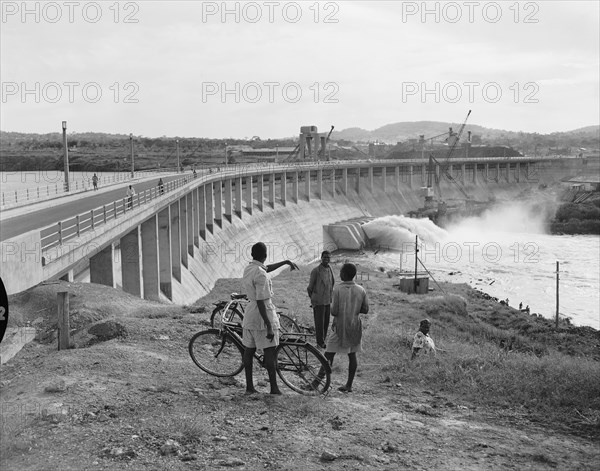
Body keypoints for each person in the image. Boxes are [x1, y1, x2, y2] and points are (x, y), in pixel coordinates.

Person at [241, 242, 298, 395]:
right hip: (262, 314)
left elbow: (266, 268)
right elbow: (261, 300)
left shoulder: (249, 268)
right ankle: (274, 388)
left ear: (253, 255)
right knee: (270, 353)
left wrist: (285, 262)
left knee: (249, 350)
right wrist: (269, 325)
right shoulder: (260, 273)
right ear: (265, 256)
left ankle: (249, 387)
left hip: (250, 314)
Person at [320, 263, 369, 393]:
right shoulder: (361, 290)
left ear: (345, 274)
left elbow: (334, 312)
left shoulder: (337, 289)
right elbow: (365, 309)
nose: (340, 274)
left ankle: (316, 381)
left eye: (341, 271)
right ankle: (349, 385)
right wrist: (354, 307)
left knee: (328, 354)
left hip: (340, 325)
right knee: (352, 355)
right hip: (354, 325)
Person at [307, 250, 335, 349]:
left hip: (327, 300)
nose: (326, 259)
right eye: (325, 257)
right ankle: (320, 343)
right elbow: (309, 288)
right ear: (321, 258)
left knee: (326, 322)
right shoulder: (316, 271)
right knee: (319, 323)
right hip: (318, 302)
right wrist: (314, 299)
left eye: (328, 257)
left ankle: (322, 341)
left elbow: (332, 283)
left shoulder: (330, 269)